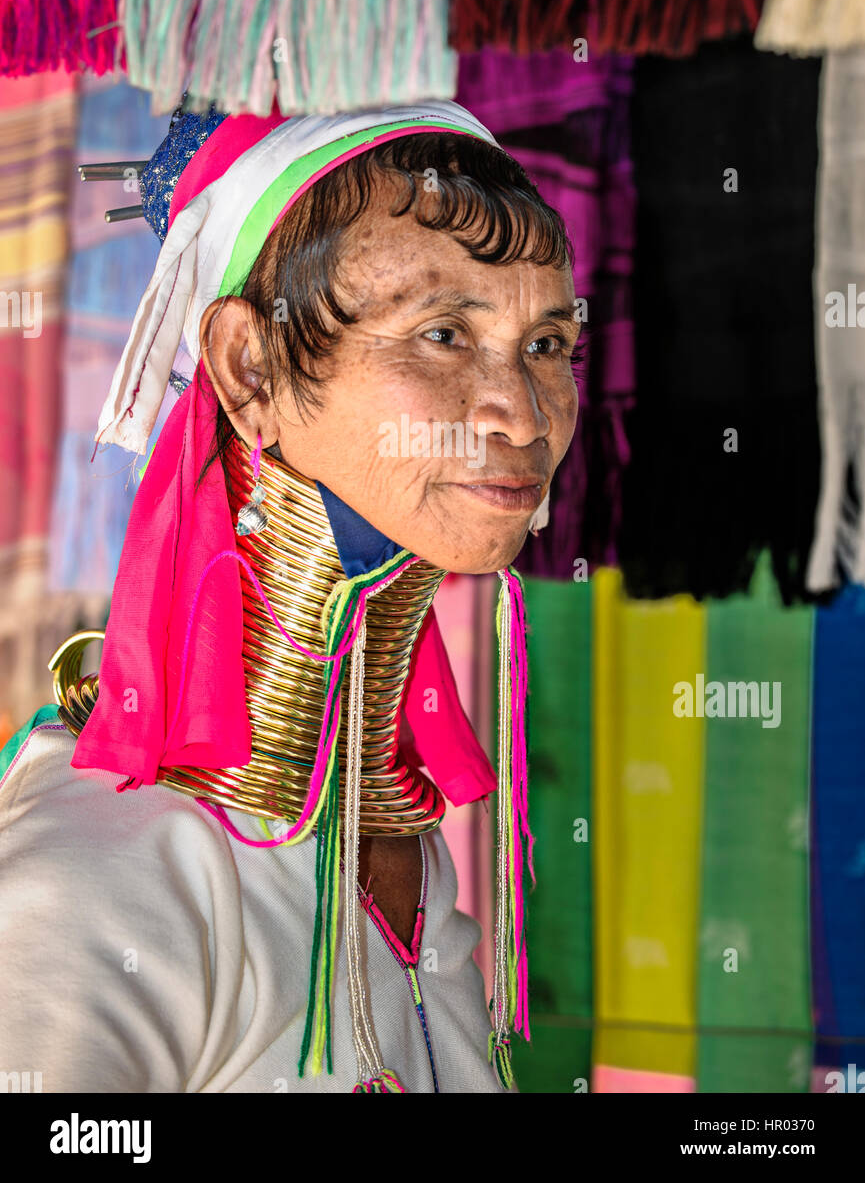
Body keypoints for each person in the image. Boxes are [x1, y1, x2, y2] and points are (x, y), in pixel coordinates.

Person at [0, 100, 580, 1093]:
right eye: (443, 332)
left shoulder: (407, 853)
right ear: (249, 367)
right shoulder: (110, 870)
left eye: (546, 344)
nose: (523, 413)